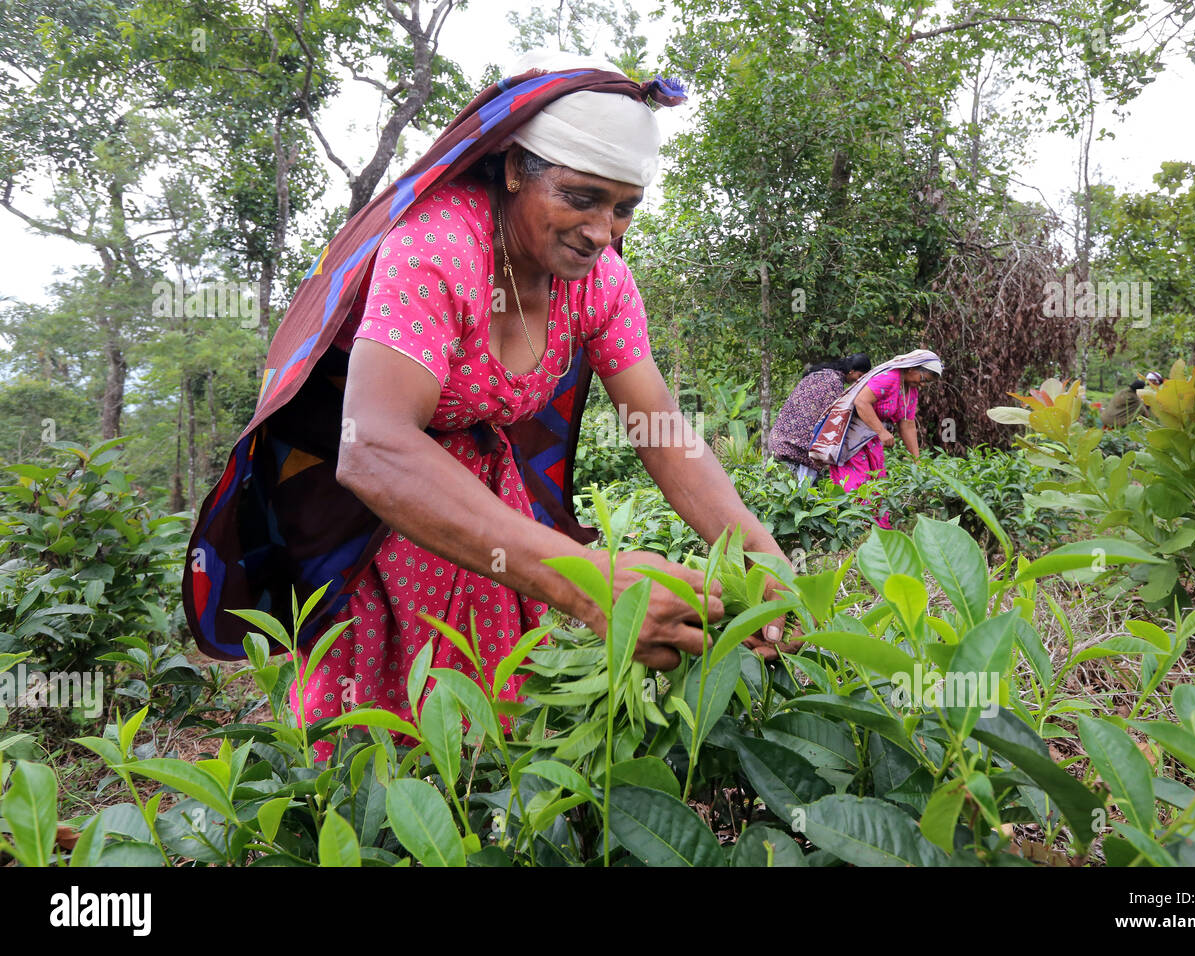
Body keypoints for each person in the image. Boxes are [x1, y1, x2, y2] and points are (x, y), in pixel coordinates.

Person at [182, 52, 795, 758]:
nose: (603, 231)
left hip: (491, 504)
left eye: (624, 207)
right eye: (581, 197)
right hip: (382, 508)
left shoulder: (603, 285)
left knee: (499, 727)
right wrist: (584, 579)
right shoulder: (438, 247)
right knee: (382, 732)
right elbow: (375, 444)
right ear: (512, 169)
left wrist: (758, 550)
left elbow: (660, 428)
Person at [808, 349, 943, 528]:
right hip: (853, 441)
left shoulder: (910, 391)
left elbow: (907, 424)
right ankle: (855, 531)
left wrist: (916, 460)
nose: (923, 384)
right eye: (924, 379)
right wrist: (881, 431)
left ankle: (878, 533)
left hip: (872, 442)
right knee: (856, 485)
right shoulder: (890, 377)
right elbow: (861, 402)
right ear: (912, 368)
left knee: (877, 485)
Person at [769, 353, 872, 483]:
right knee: (803, 491)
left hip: (780, 437)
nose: (859, 380)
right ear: (851, 371)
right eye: (860, 376)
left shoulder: (820, 374)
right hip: (798, 445)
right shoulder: (834, 383)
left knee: (790, 487)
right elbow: (834, 418)